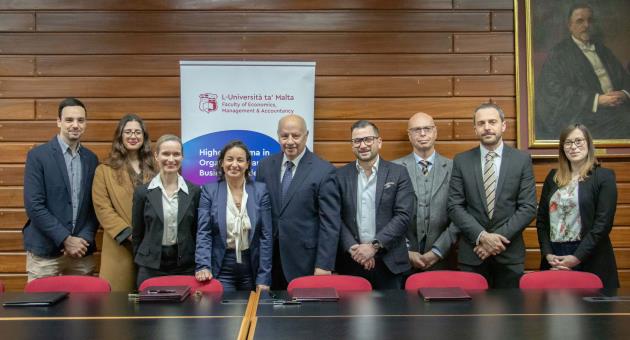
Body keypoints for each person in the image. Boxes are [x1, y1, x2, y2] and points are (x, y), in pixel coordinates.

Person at [448, 103, 537, 288]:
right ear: (475, 129)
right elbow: (455, 206)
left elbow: (528, 207)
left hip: (509, 254)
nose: (487, 127)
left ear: (503, 126)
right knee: (472, 314)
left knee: (511, 315)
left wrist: (494, 240)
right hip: (473, 253)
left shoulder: (521, 160)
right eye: (481, 123)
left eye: (492, 122)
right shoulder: (461, 161)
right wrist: (481, 236)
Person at [256, 114, 341, 289]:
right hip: (269, 261)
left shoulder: (324, 170)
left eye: (296, 136)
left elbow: (330, 222)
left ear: (306, 135)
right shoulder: (265, 166)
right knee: (269, 313)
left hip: (305, 262)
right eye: (284, 136)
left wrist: (324, 265)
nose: (290, 141)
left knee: (303, 314)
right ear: (278, 136)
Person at [23, 98, 100, 282]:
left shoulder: (91, 159)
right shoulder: (38, 156)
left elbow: (95, 205)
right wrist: (66, 239)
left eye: (80, 120)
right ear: (58, 122)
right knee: (40, 309)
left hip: (81, 253)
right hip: (45, 253)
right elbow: (34, 205)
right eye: (69, 120)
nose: (75, 125)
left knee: (82, 309)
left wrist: (82, 239)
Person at [536, 124, 619, 287]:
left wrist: (576, 257)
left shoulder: (604, 177)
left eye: (579, 141)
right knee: (556, 309)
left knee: (590, 311)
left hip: (589, 256)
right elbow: (541, 221)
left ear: (588, 144)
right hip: (555, 256)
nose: (573, 147)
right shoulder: (553, 177)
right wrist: (547, 254)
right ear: (562, 148)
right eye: (568, 143)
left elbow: (602, 224)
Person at [336, 120, 415, 289]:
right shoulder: (339, 175)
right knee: (351, 315)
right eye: (357, 141)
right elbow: (335, 217)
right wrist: (354, 249)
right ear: (352, 145)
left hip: (390, 263)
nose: (362, 145)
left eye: (368, 139)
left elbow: (403, 216)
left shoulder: (398, 173)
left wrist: (373, 247)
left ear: (379, 142)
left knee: (390, 315)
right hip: (352, 262)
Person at [536, 3, 630, 140]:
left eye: (590, 20)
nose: (586, 25)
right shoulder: (559, 54)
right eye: (580, 21)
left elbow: (625, 78)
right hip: (585, 116)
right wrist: (597, 100)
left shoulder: (602, 49)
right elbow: (554, 90)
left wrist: (624, 93)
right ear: (570, 26)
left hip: (618, 107)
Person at [195, 140, 273, 291]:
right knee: (222, 312)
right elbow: (204, 232)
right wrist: (203, 265)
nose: (234, 164)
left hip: (252, 266)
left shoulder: (260, 191)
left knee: (252, 311)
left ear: (247, 164)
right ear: (222, 163)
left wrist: (264, 276)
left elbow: (266, 236)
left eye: (240, 160)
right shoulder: (209, 191)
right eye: (229, 159)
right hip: (222, 265)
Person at [92, 114, 156, 291]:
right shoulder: (104, 170)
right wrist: (129, 234)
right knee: (118, 307)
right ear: (120, 136)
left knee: (154, 303)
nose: (133, 136)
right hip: (120, 245)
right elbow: (102, 208)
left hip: (154, 246)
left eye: (137, 132)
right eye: (128, 132)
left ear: (144, 137)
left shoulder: (156, 168)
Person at [131, 134, 201, 288]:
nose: (171, 159)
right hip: (150, 267)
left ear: (182, 157)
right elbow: (137, 234)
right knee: (150, 311)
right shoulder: (142, 192)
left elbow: (196, 231)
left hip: (185, 266)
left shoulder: (194, 191)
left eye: (176, 154)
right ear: (156, 156)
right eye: (166, 154)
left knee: (185, 310)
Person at [393, 112, 459, 272]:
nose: (422, 134)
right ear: (409, 135)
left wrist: (438, 251)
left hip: (443, 260)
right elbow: (386, 215)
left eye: (427, 129)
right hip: (402, 261)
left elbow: (460, 214)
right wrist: (406, 250)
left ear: (435, 132)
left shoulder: (454, 168)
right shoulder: (393, 169)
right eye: (416, 130)